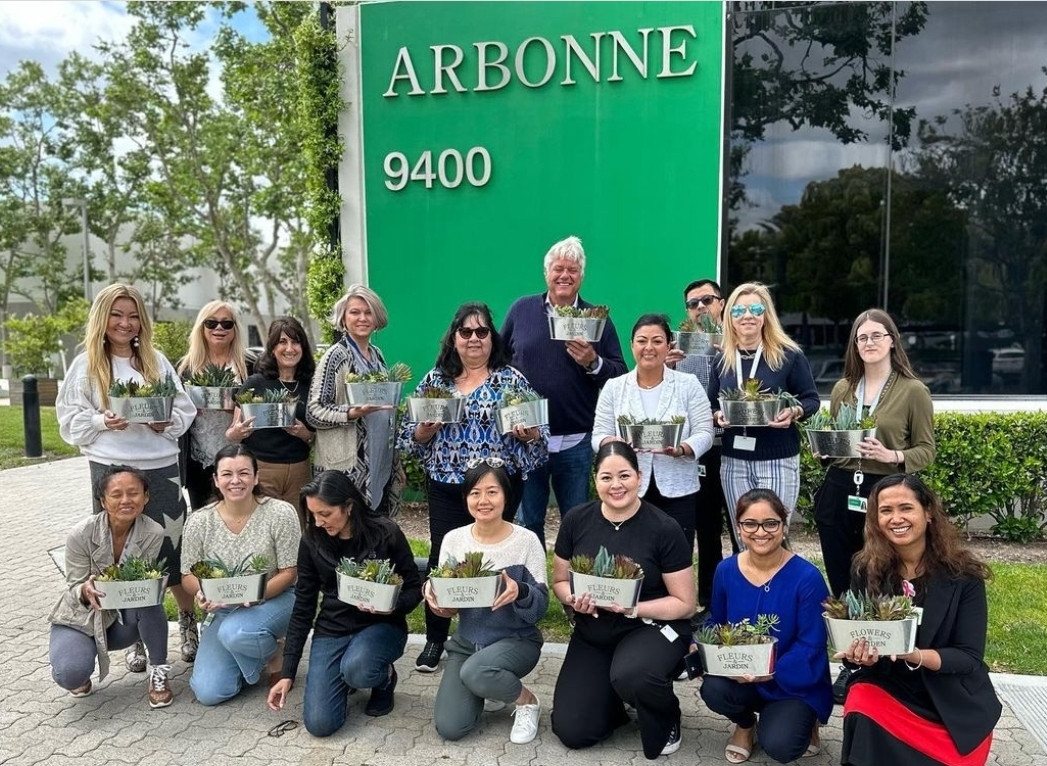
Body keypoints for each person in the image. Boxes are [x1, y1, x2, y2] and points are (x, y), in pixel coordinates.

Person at [397, 302, 548, 672]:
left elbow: (540, 444)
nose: (474, 339)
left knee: (497, 560)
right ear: (455, 338)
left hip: (497, 490)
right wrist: (424, 430)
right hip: (449, 487)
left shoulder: (511, 380)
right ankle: (436, 639)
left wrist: (528, 436)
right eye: (466, 332)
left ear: (491, 338)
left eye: (482, 332)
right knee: (443, 559)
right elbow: (407, 438)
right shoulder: (435, 382)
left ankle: (493, 638)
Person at [56, 282, 199, 667]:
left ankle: (187, 621)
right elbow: (68, 421)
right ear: (103, 319)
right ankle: (135, 630)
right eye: (117, 315)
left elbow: (183, 411)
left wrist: (162, 422)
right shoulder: (85, 365)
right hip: (110, 469)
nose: (125, 323)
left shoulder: (155, 361)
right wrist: (103, 420)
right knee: (121, 555)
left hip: (161, 468)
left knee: (172, 552)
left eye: (133, 315)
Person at [812, 310, 936, 703]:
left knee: (876, 574)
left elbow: (926, 450)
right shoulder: (843, 389)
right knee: (843, 576)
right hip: (840, 488)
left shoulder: (912, 390)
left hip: (884, 492)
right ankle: (852, 663)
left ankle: (879, 661)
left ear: (892, 341)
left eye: (875, 336)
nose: (868, 343)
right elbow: (837, 439)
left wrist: (892, 455)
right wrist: (825, 449)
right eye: (860, 338)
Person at [836, 474, 1001, 766]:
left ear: (928, 513)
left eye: (905, 508)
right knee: (861, 700)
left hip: (948, 697)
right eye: (885, 510)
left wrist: (913, 655)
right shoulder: (865, 569)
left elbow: (968, 657)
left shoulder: (964, 576)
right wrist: (858, 655)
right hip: (889, 683)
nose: (895, 518)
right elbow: (859, 637)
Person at [550, 442, 695, 760]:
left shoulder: (663, 528)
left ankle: (665, 711)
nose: (616, 485)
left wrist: (633, 607)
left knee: (634, 674)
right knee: (574, 730)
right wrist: (573, 600)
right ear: (595, 479)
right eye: (606, 477)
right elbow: (560, 581)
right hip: (595, 630)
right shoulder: (577, 519)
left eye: (624, 475)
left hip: (650, 625)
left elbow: (685, 602)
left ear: (639, 477)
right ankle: (614, 701)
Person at [267, 471, 422, 736]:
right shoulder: (312, 541)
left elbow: (414, 587)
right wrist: (287, 673)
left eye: (325, 514)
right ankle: (345, 674)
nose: (317, 522)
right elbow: (303, 607)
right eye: (313, 514)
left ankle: (382, 678)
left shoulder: (386, 533)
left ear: (349, 506)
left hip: (382, 625)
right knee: (320, 724)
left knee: (358, 669)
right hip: (333, 628)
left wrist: (391, 606)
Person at [502, 235, 627, 547]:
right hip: (527, 438)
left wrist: (593, 361)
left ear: (581, 276)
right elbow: (498, 363)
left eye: (572, 270)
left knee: (577, 518)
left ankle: (577, 589)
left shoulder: (596, 319)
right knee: (528, 519)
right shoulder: (522, 310)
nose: (564, 276)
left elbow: (619, 375)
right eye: (558, 269)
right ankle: (531, 588)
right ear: (547, 273)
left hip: (575, 441)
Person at [698, 488, 832, 764]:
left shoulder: (807, 578)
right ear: (738, 528)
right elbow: (716, 622)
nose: (761, 532)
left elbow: (812, 644)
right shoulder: (725, 570)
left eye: (771, 523)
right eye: (750, 523)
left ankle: (807, 720)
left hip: (793, 681)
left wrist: (767, 671)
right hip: (740, 675)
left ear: (783, 526)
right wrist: (705, 649)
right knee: (713, 688)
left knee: (782, 747)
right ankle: (745, 725)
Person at [428, 461, 549, 745]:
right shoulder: (454, 540)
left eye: (492, 492)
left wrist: (520, 591)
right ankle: (489, 687)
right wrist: (438, 602)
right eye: (475, 493)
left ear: (506, 496)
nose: (483, 500)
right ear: (466, 498)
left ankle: (527, 702)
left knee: (477, 671)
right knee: (450, 727)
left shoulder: (526, 541)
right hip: (467, 643)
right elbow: (450, 602)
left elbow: (540, 608)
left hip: (516, 641)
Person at [180, 444, 301, 706]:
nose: (236, 481)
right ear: (215, 480)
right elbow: (187, 575)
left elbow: (290, 572)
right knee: (209, 692)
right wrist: (201, 593)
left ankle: (274, 656)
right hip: (222, 607)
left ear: (256, 477)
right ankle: (255, 651)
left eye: (244, 473)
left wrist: (257, 595)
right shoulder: (200, 520)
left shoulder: (280, 513)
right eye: (227, 474)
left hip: (275, 599)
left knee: (235, 633)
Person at [47, 466, 173, 708]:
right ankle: (79, 667)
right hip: (82, 617)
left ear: (145, 497)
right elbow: (73, 585)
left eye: (133, 493)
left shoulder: (153, 532)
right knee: (70, 673)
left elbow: (140, 581)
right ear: (103, 501)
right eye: (116, 494)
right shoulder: (80, 534)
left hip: (120, 621)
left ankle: (159, 672)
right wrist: (85, 590)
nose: (126, 500)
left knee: (150, 596)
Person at [592, 313, 714, 550]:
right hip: (627, 489)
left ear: (669, 345)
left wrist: (682, 449)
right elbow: (598, 435)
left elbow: (705, 432)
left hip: (678, 488)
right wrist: (614, 443)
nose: (649, 347)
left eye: (657, 341)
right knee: (631, 554)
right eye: (642, 341)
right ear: (632, 345)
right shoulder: (614, 387)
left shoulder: (687, 384)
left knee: (677, 555)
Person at [707, 282, 819, 540]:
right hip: (734, 460)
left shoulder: (788, 356)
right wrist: (717, 415)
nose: (747, 316)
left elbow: (811, 399)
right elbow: (711, 403)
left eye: (755, 309)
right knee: (744, 535)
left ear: (766, 315)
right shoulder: (723, 360)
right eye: (738, 311)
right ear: (729, 317)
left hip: (777, 459)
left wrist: (794, 412)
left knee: (773, 535)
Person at [666, 278, 736, 614]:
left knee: (742, 525)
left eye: (706, 300)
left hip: (736, 447)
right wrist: (667, 366)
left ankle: (743, 596)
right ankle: (710, 599)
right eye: (693, 304)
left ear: (721, 303)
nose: (700, 308)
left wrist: (730, 352)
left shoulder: (739, 342)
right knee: (706, 526)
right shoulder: (682, 348)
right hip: (700, 448)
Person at [306, 285, 401, 516]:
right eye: (355, 312)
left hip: (378, 464)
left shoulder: (377, 355)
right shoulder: (336, 355)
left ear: (377, 317)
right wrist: (351, 413)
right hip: (345, 469)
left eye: (368, 313)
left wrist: (395, 463)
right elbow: (314, 411)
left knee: (374, 534)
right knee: (347, 535)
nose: (362, 318)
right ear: (343, 318)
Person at [227, 316, 316, 512]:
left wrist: (305, 434)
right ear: (272, 348)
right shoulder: (256, 383)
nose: (290, 348)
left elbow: (317, 435)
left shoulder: (312, 385)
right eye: (282, 342)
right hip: (262, 468)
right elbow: (231, 434)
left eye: (295, 342)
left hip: (300, 470)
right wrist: (240, 432)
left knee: (298, 528)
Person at [177, 300, 250, 510]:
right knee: (203, 518)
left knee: (240, 518)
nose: (219, 328)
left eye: (227, 324)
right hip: (198, 460)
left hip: (240, 460)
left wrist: (235, 407)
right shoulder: (186, 369)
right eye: (211, 323)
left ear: (235, 330)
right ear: (201, 328)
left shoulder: (249, 366)